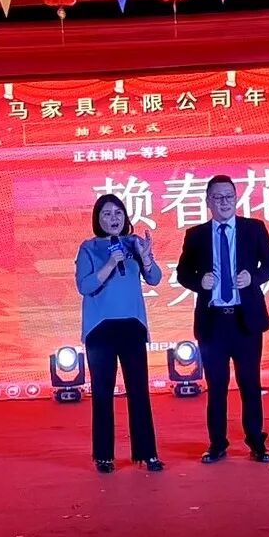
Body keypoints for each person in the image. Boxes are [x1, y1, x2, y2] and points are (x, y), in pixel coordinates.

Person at [177, 175, 269, 464]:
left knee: (250, 384)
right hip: (213, 323)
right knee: (217, 386)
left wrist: (253, 277)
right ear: (208, 202)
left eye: (229, 197)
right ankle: (217, 444)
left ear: (236, 199)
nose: (224, 202)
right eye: (218, 197)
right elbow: (183, 273)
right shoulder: (196, 235)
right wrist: (200, 282)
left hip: (245, 321)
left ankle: (257, 443)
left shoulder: (253, 229)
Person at [75, 194, 164, 474]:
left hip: (132, 326)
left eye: (117, 213)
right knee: (103, 392)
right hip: (100, 329)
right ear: (97, 219)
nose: (113, 218)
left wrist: (146, 259)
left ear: (125, 217)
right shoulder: (89, 248)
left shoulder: (134, 243)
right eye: (106, 214)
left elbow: (155, 278)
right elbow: (85, 286)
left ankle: (147, 454)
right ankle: (104, 456)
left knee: (139, 391)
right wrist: (110, 263)